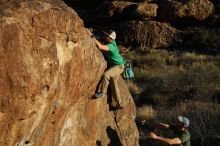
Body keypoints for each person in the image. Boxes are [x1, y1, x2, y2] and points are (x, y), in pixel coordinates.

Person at [88, 29, 125, 109]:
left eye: (106, 36)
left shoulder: (111, 46)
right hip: (115, 66)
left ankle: (102, 92)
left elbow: (100, 46)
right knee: (113, 84)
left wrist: (92, 37)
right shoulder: (110, 42)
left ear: (111, 38)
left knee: (106, 75)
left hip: (119, 66)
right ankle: (119, 103)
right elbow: (101, 42)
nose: (105, 36)